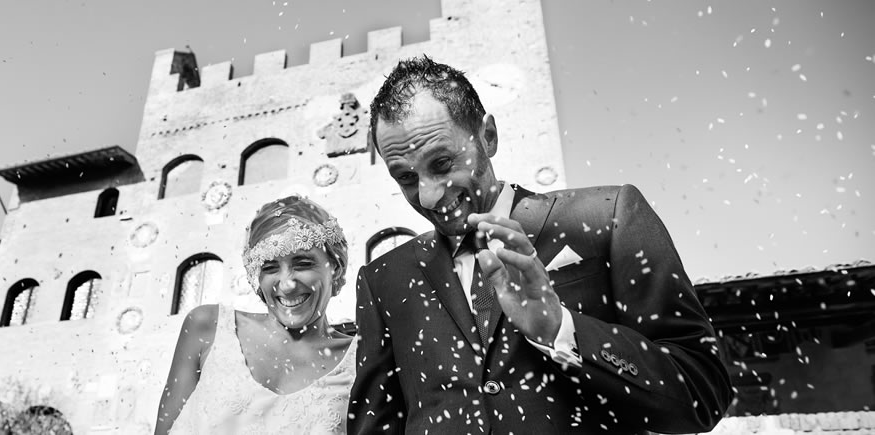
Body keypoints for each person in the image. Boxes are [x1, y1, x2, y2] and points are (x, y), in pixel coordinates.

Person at [348, 57, 733, 434]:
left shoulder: (607, 217)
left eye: (443, 163)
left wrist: (561, 329)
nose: (429, 196)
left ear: (488, 136)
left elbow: (701, 393)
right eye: (405, 177)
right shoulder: (383, 281)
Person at [156, 196, 357, 434]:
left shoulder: (361, 361)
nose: (287, 284)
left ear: (335, 269)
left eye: (303, 263)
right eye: (270, 268)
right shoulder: (207, 327)